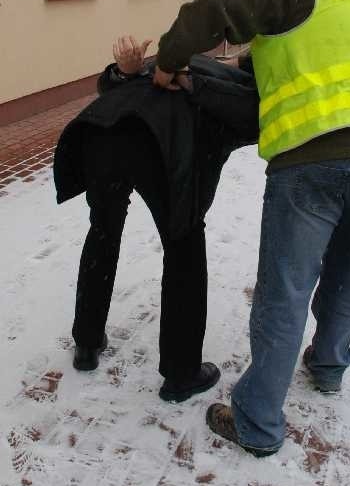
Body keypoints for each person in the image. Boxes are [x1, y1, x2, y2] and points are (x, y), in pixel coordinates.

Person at [148, 0, 350, 455]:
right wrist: (222, 73)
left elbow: (213, 8)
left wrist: (168, 63)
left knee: (285, 290)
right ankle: (329, 365)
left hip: (313, 162)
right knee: (348, 269)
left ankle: (257, 422)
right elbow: (293, 61)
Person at [53, 38, 259, 402]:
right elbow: (250, 122)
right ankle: (182, 374)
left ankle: (86, 343)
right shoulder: (241, 91)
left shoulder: (189, 58)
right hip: (158, 146)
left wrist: (124, 72)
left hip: (101, 134)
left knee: (103, 231)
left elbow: (112, 85)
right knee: (185, 246)